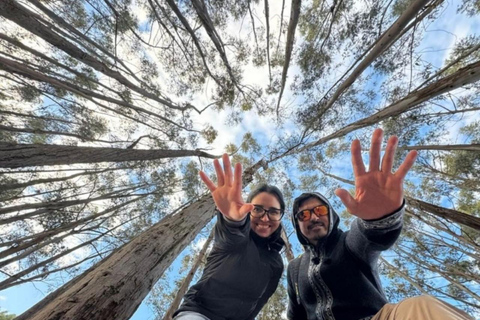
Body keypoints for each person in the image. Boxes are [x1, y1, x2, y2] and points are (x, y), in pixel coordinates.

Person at [287, 128, 474, 320]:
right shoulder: (294, 268)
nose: (314, 217)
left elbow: (369, 235)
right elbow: (294, 316)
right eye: (303, 215)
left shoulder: (347, 242)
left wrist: (379, 219)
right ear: (298, 226)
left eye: (320, 210)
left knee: (421, 307)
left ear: (331, 215)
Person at [174, 154, 286, 320]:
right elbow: (232, 231)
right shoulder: (235, 239)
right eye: (257, 209)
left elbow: (257, 306)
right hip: (198, 313)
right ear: (247, 209)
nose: (265, 218)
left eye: (273, 212)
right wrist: (232, 219)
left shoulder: (276, 263)